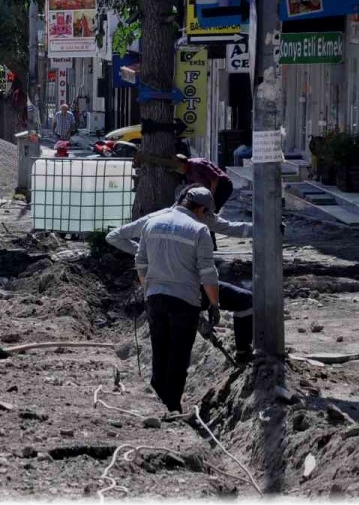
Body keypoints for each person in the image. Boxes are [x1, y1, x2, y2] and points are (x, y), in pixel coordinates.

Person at [107, 185, 254, 362]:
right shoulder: (157, 220)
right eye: (205, 212)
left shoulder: (202, 216)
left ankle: (243, 354)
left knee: (245, 300)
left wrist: (265, 228)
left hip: (191, 285)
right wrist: (147, 253)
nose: (207, 217)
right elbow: (114, 236)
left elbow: (231, 228)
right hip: (175, 290)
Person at [134, 187, 221, 414]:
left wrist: (149, 290)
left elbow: (141, 263)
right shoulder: (199, 230)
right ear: (201, 209)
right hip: (184, 303)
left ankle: (156, 406)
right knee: (178, 357)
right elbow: (208, 273)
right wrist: (214, 304)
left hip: (154, 298)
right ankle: (172, 408)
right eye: (207, 213)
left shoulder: (151, 223)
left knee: (159, 352)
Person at [137, 152, 233, 214]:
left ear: (183, 163)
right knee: (203, 211)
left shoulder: (197, 165)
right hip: (210, 187)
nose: (177, 170)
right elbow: (193, 187)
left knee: (210, 212)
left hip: (222, 185)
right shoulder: (187, 173)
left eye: (177, 167)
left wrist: (210, 197)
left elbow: (215, 179)